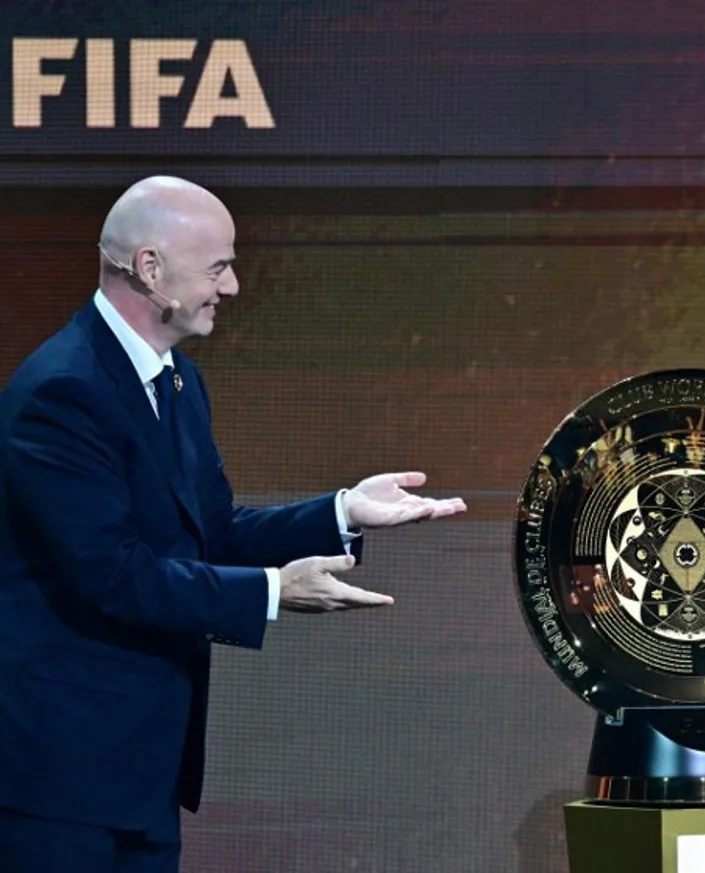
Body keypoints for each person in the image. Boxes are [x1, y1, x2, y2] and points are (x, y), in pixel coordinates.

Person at [0, 176, 467, 872]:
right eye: (219, 266)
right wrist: (274, 592)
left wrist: (340, 510)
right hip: (62, 779)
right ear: (150, 268)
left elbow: (210, 532)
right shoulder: (62, 391)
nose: (235, 285)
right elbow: (112, 574)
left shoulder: (179, 383)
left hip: (144, 771)